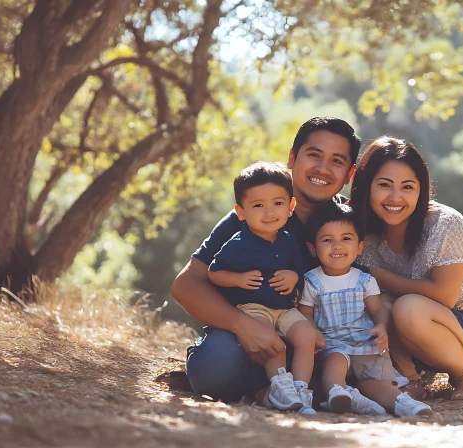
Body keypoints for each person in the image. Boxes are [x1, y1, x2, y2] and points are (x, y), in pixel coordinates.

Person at [171, 117, 361, 403]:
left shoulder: (349, 222)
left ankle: (285, 389)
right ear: (292, 158)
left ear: (349, 173)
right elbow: (185, 285)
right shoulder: (257, 212)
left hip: (318, 343)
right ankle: (273, 387)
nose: (323, 168)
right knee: (214, 369)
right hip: (250, 332)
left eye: (337, 161)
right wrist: (242, 325)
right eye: (314, 155)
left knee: (351, 362)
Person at [351, 136, 463, 401]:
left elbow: (444, 296)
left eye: (407, 187)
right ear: (366, 186)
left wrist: (378, 275)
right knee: (377, 302)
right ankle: (411, 382)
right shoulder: (361, 233)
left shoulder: (445, 224)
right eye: (384, 185)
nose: (395, 197)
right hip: (412, 347)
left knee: (406, 305)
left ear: (421, 190)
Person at [298, 202, 432, 416]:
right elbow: (305, 312)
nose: (337, 246)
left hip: (364, 341)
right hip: (332, 342)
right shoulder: (312, 280)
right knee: (336, 360)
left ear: (360, 247)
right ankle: (338, 392)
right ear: (312, 248)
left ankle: (401, 403)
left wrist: (381, 326)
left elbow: (379, 309)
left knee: (374, 381)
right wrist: (313, 332)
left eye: (346, 238)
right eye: (327, 240)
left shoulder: (364, 280)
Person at [207, 162, 320, 414]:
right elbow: (214, 273)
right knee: (269, 338)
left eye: (278, 204)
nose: (269, 212)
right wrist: (237, 279)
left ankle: (301, 389)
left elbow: (299, 272)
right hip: (253, 307)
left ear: (291, 206)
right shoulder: (238, 243)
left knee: (306, 335)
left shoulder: (288, 240)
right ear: (241, 211)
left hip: (285, 308)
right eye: (258, 205)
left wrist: (293, 277)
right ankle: (280, 386)